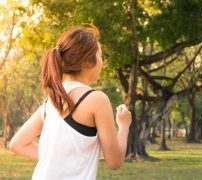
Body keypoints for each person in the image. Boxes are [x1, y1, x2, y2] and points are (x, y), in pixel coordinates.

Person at [9, 24, 132, 180]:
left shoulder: (51, 101)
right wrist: (123, 126)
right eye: (101, 56)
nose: (102, 62)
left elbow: (17, 144)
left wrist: (55, 159)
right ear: (88, 61)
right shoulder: (96, 100)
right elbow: (115, 161)